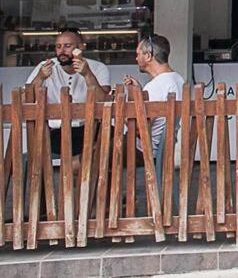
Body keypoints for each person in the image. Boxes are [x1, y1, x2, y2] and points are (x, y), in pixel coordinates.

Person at [26, 27, 110, 160]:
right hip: (55, 132)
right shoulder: (45, 66)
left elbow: (104, 100)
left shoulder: (97, 67)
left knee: (110, 136)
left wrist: (87, 74)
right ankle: (76, 163)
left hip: (89, 128)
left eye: (67, 46)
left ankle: (78, 164)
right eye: (58, 46)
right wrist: (40, 77)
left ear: (80, 48)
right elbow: (27, 99)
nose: (62, 51)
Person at [123, 34, 185, 178]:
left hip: (144, 149)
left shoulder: (155, 86)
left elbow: (140, 129)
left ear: (148, 56)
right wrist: (138, 92)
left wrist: (123, 114)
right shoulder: (178, 79)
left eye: (138, 54)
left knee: (98, 149)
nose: (136, 58)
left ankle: (106, 198)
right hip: (164, 147)